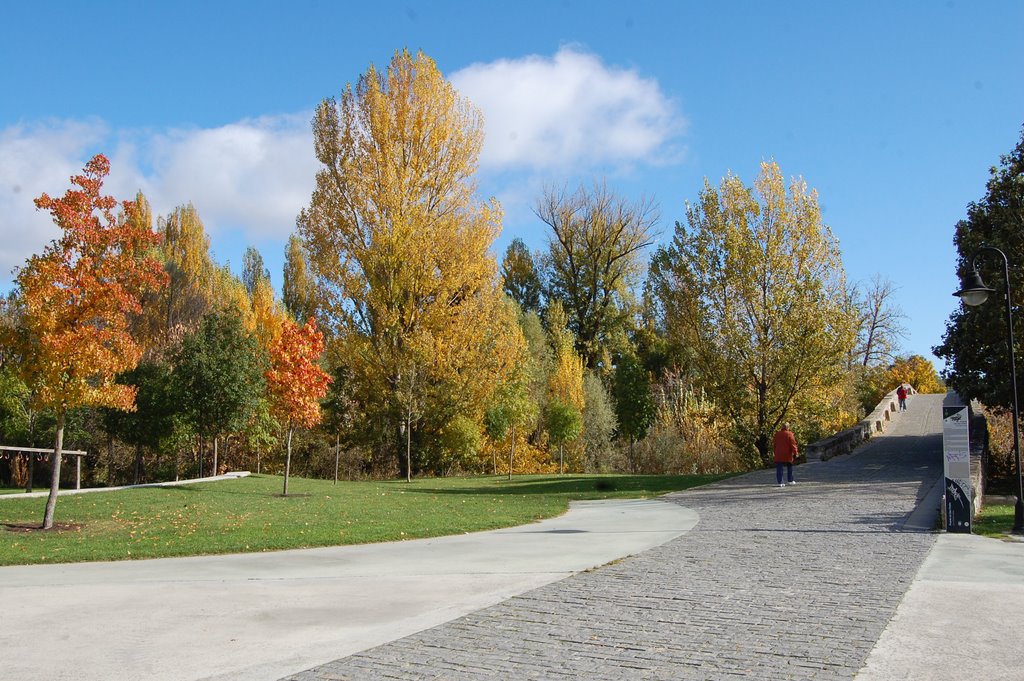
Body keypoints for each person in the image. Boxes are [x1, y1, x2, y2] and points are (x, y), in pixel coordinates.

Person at [773, 423, 799, 487]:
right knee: (789, 466)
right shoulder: (790, 434)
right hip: (787, 453)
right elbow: (793, 444)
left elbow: (774, 444)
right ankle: (790, 480)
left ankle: (780, 482)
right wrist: (796, 453)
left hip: (778, 453)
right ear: (788, 427)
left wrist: (775, 451)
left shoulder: (777, 434)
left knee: (779, 467)